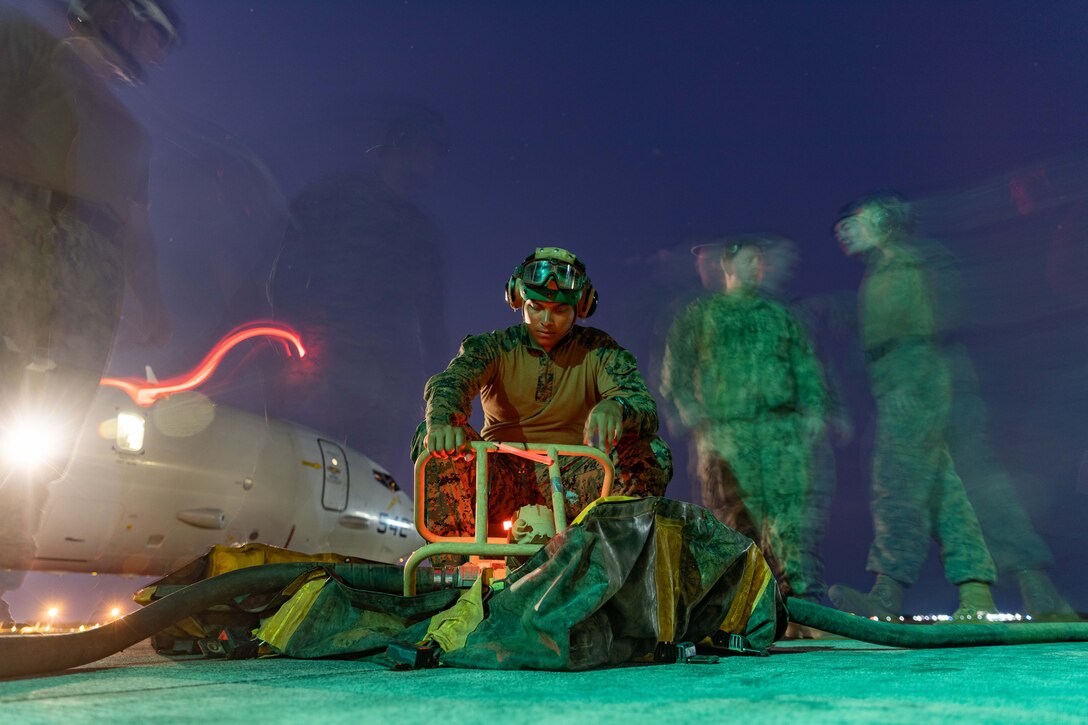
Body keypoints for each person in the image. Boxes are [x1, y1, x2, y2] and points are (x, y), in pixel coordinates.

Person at [0, 0, 176, 624]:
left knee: (44, 438)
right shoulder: (21, 45)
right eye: (152, 32)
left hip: (85, 291)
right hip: (15, 254)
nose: (155, 51)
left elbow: (136, 225)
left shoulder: (128, 134)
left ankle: (4, 565)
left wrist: (149, 300)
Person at [413, 247, 672, 540]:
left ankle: (615, 565)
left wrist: (618, 407)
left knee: (652, 453)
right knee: (432, 441)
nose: (546, 320)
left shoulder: (599, 351)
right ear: (518, 300)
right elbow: (451, 382)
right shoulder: (493, 347)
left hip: (568, 480)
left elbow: (642, 404)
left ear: (580, 308)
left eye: (560, 310)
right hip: (498, 476)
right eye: (535, 307)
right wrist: (444, 421)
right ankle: (456, 568)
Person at [829, 194, 997, 620]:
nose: (845, 229)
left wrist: (902, 385)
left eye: (857, 221)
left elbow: (913, 335)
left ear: (885, 223)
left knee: (897, 486)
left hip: (911, 382)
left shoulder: (902, 267)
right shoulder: (887, 270)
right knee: (941, 491)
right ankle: (976, 592)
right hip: (910, 382)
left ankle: (888, 592)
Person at [269, 103, 449, 489]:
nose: (433, 157)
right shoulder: (336, 197)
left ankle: (348, 547)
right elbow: (288, 262)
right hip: (330, 355)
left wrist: (438, 386)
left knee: (369, 481)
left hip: (389, 374)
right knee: (308, 466)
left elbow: (430, 317)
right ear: (402, 146)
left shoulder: (419, 231)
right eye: (428, 146)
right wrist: (289, 334)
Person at [660, 236, 829, 607]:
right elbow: (677, 373)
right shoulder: (702, 315)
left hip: (779, 431)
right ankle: (746, 607)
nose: (757, 268)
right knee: (735, 521)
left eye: (760, 261)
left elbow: (804, 366)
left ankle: (798, 605)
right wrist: (694, 415)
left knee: (787, 521)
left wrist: (814, 407)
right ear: (728, 267)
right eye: (749, 261)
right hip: (728, 434)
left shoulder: (779, 316)